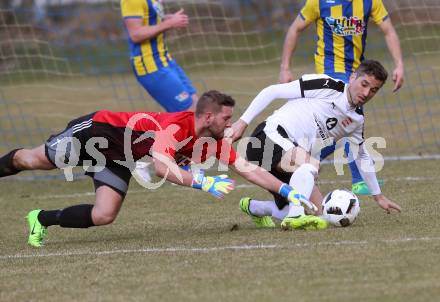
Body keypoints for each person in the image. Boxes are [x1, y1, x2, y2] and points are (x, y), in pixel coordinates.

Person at [0, 91, 326, 248]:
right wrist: (203, 184)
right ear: (208, 117)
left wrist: (285, 190)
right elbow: (160, 166)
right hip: (94, 132)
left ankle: (40, 218)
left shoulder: (211, 140)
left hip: (117, 157)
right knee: (29, 160)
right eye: (227, 118)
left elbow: (246, 168)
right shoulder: (173, 126)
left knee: (104, 215)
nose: (231, 124)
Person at [230, 60, 402, 228]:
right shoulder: (327, 85)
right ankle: (295, 216)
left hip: (291, 161)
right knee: (312, 165)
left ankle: (256, 208)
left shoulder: (356, 121)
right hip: (268, 138)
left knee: (321, 214)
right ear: (352, 77)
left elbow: (361, 155)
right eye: (364, 84)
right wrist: (242, 122)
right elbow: (273, 91)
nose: (366, 93)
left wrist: (378, 196)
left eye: (373, 90)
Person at [278, 0, 404, 195]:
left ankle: (303, 158)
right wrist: (285, 67)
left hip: (357, 72)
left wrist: (399, 64)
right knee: (351, 118)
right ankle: (358, 180)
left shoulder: (369, 2)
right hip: (330, 72)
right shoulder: (318, 2)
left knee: (342, 126)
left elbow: (388, 30)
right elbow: (295, 29)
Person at [121, 0, 197, 112]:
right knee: (188, 114)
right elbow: (136, 34)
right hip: (150, 66)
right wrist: (169, 23)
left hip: (165, 60)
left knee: (197, 106)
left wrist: (167, 19)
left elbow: (148, 19)